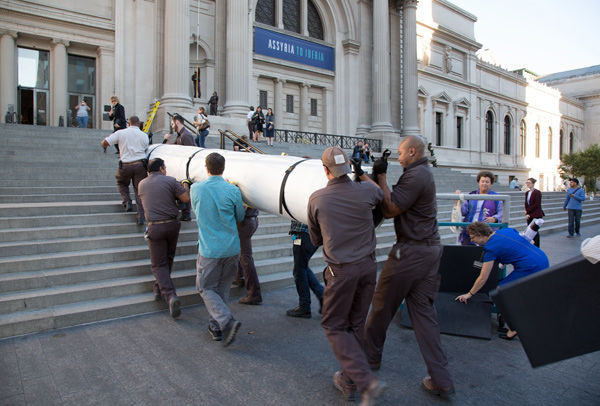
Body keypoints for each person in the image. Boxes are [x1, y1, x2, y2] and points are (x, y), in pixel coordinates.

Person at [363, 135, 455, 399]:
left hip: (411, 252)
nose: (398, 158)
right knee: (424, 316)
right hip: (429, 251)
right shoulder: (422, 172)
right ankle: (442, 379)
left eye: (401, 153)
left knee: (381, 305)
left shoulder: (415, 175)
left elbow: (391, 208)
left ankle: (368, 359)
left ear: (412, 152)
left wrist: (379, 178)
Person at [307, 146, 386, 405]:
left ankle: (364, 380)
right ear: (349, 168)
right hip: (367, 267)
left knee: (333, 324)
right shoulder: (367, 190)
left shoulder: (317, 199)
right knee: (355, 323)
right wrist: (362, 175)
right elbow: (380, 197)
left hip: (341, 271)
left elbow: (316, 239)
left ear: (325, 170)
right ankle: (349, 379)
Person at [456, 222, 550, 339]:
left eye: (472, 236)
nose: (471, 239)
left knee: (500, 292)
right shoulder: (505, 231)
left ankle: (513, 328)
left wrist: (469, 294)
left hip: (531, 267)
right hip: (542, 258)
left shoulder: (491, 248)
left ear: (479, 234)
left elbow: (483, 277)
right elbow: (528, 241)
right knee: (511, 290)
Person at [190, 152, 246, 346]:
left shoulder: (196, 189)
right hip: (231, 247)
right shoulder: (233, 190)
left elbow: (196, 211)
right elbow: (240, 216)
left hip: (210, 250)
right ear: (223, 168)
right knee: (222, 287)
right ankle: (218, 326)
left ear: (206, 168)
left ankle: (226, 321)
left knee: (204, 287)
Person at [137, 158, 190, 318]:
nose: (166, 170)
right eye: (165, 167)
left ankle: (170, 295)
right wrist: (185, 184)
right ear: (161, 168)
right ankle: (159, 288)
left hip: (155, 227)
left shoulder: (141, 184)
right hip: (172, 225)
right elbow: (186, 198)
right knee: (167, 259)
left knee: (158, 265)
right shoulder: (170, 181)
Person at [101, 116, 148, 225]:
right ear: (138, 124)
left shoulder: (121, 133)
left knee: (121, 182)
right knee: (139, 190)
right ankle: (141, 216)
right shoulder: (144, 135)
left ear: (129, 123)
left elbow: (106, 142)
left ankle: (127, 201)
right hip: (140, 165)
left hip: (126, 165)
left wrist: (104, 146)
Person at [286, 220, 323, 318]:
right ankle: (322, 296)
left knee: (299, 270)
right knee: (302, 267)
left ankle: (304, 306)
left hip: (303, 234)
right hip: (312, 234)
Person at [456, 170, 503, 245]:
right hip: (470, 231)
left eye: (487, 182)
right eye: (482, 181)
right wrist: (458, 201)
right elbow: (463, 211)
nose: (484, 184)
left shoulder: (497, 197)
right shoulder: (471, 195)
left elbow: (501, 213)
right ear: (479, 182)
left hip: (486, 233)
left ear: (491, 183)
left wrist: (495, 218)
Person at [165, 114, 195, 221]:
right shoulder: (180, 135)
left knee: (184, 191)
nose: (172, 126)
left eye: (173, 124)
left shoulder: (185, 136)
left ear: (177, 122)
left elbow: (191, 153)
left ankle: (186, 214)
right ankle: (184, 213)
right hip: (180, 169)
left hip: (184, 170)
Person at [236, 206, 263, 305]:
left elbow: (242, 208)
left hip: (245, 222)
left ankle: (254, 293)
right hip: (251, 219)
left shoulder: (242, 189)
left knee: (245, 257)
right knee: (241, 253)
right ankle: (239, 277)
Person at [524, 177, 544, 247]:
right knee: (530, 231)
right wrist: (527, 213)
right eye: (527, 183)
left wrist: (528, 211)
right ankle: (531, 245)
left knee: (535, 231)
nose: (527, 184)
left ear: (533, 184)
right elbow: (526, 203)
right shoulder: (527, 193)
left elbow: (536, 204)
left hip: (536, 214)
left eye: (529, 183)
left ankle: (536, 246)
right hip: (529, 214)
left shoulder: (537, 192)